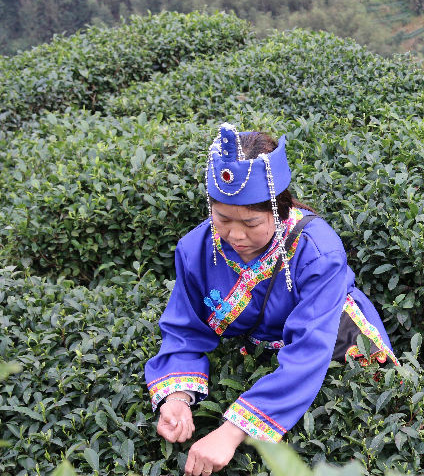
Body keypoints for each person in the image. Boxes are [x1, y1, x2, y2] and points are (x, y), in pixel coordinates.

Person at [145, 124, 398, 475]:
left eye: (250, 222)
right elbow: (184, 328)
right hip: (259, 350)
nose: (235, 235)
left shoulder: (318, 252)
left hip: (337, 343)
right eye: (222, 218)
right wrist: (177, 398)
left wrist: (231, 432)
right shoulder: (195, 248)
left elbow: (309, 351)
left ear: (279, 211)